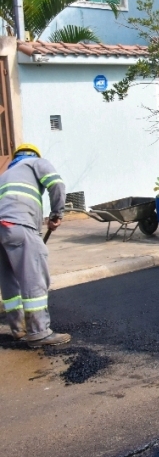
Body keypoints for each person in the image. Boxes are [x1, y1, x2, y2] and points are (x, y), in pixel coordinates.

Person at [0, 144, 69, 347]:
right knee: (34, 277)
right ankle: (39, 332)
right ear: (33, 154)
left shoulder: (5, 175)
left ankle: (18, 329)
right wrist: (57, 215)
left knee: (9, 280)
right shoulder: (36, 163)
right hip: (19, 225)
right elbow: (57, 184)